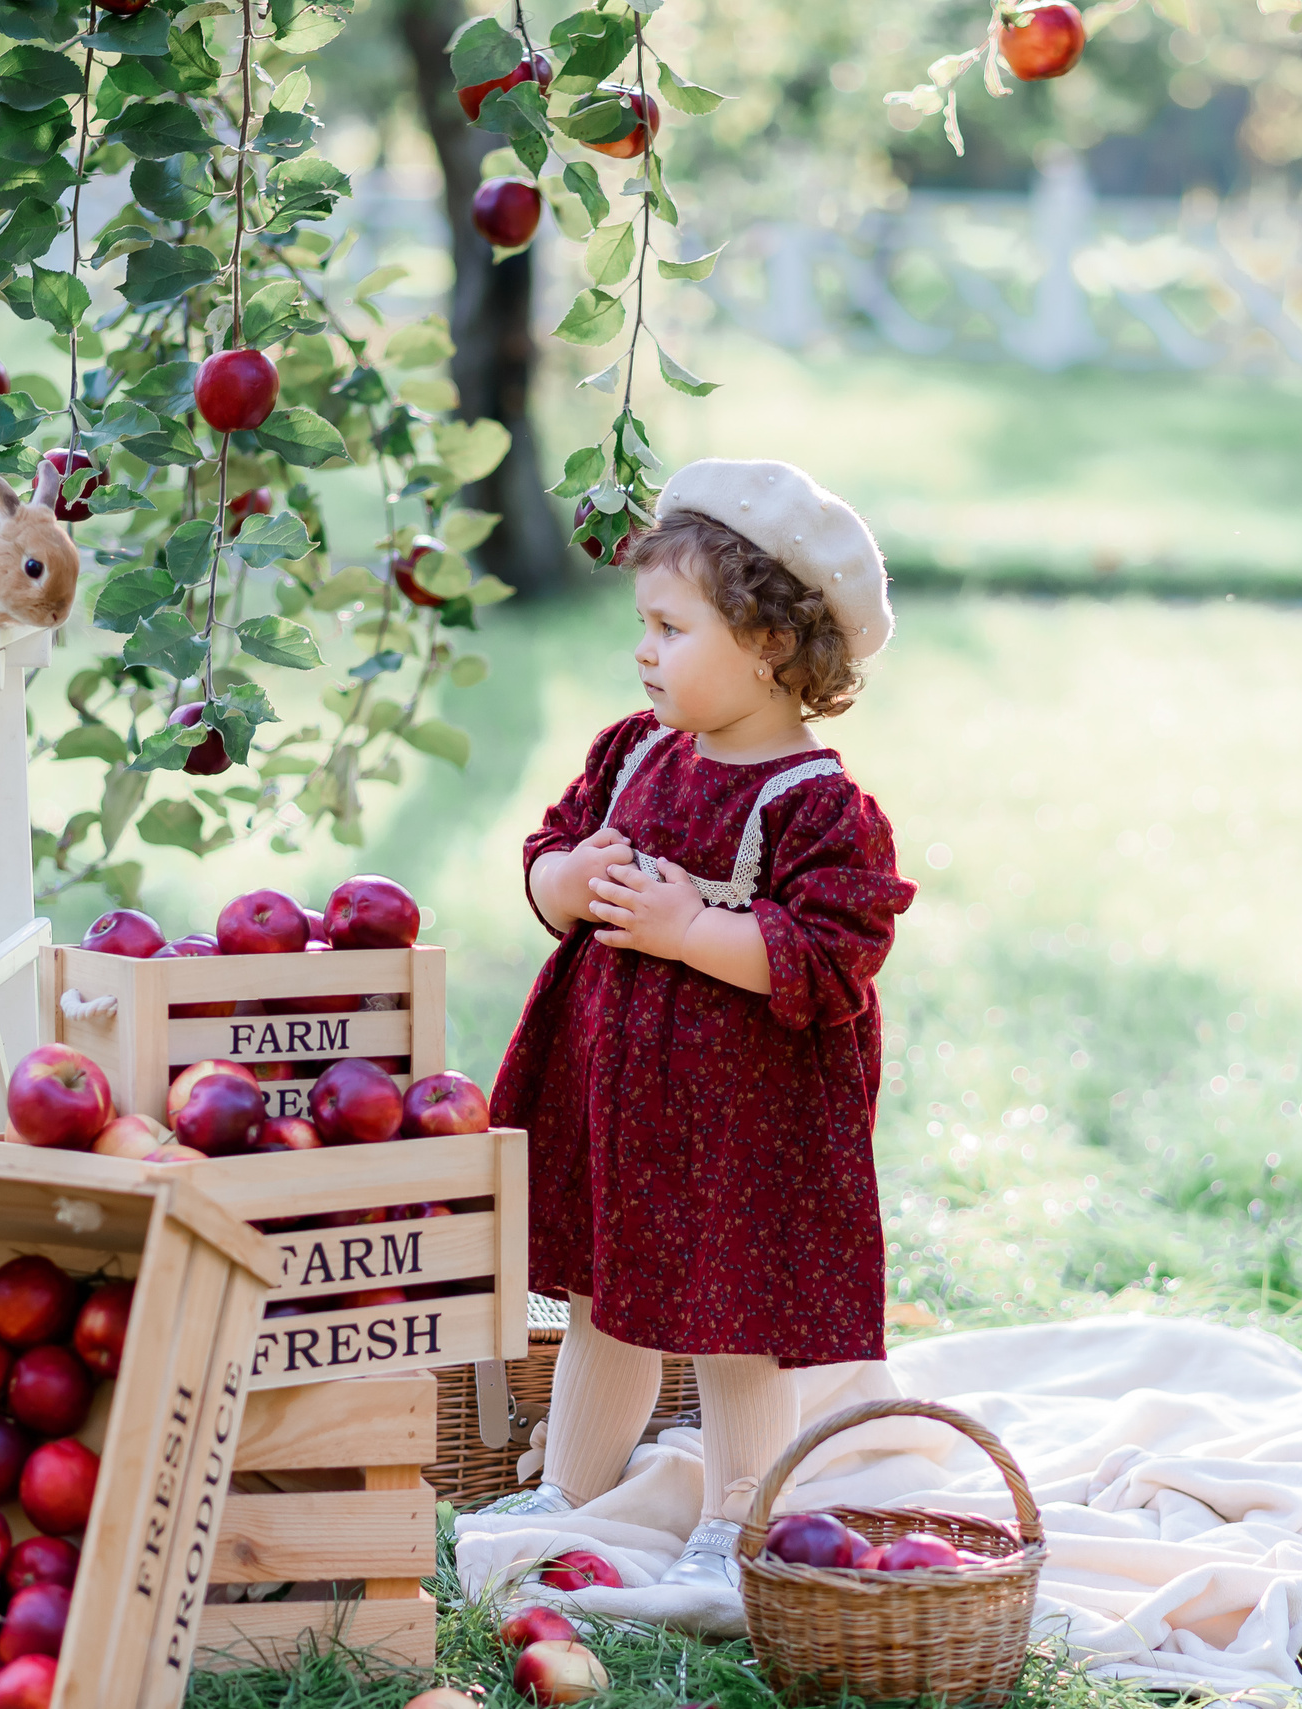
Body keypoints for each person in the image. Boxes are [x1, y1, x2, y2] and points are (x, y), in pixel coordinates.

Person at [485, 458, 916, 1590]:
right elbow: (550, 851)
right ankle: (567, 1491)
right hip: (617, 1100)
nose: (643, 650)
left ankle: (741, 1518)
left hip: (741, 1127)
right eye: (644, 625)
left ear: (769, 645)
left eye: (670, 627)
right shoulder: (632, 754)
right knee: (601, 1303)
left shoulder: (815, 803)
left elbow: (834, 958)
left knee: (739, 1327)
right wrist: (566, 881)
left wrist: (687, 926)